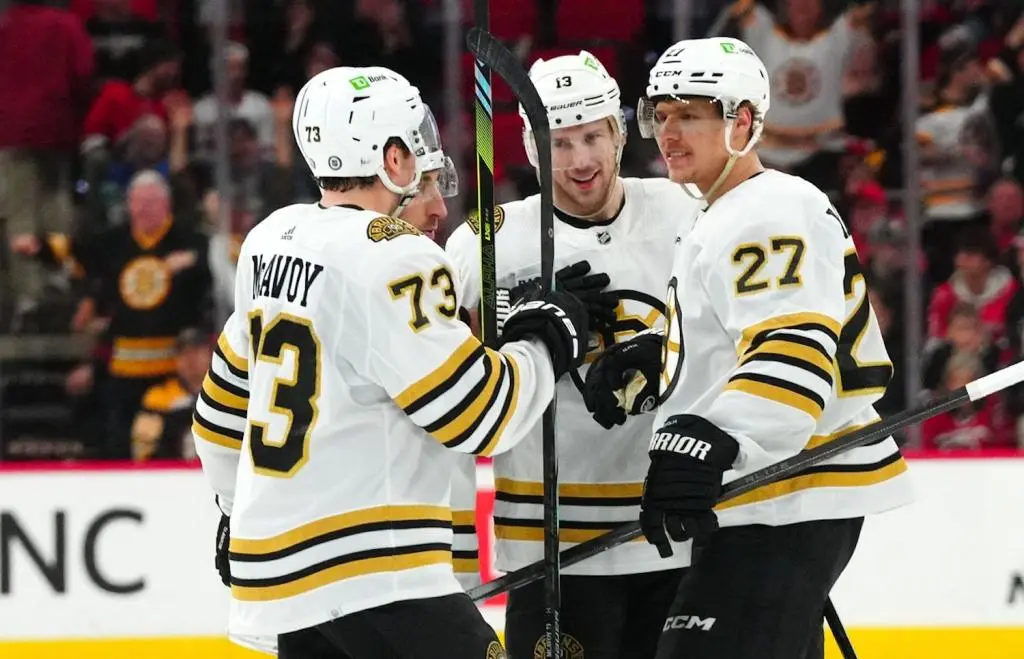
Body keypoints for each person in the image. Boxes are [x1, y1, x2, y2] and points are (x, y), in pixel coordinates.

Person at [192, 65, 601, 659]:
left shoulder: (270, 239)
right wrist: (542, 341)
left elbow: (220, 414)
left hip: (280, 580)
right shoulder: (398, 258)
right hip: (373, 569)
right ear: (393, 159)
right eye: (430, 177)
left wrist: (234, 511)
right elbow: (478, 416)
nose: (439, 207)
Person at [582, 37, 913, 659]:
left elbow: (792, 352)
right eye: (662, 113)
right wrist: (663, 356)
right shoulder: (727, 212)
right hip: (762, 496)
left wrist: (707, 440)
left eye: (690, 114)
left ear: (741, 121)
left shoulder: (768, 210)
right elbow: (747, 331)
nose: (668, 132)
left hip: (790, 489)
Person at [445, 50, 702, 659]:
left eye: (593, 136)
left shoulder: (688, 214)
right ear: (533, 151)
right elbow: (448, 402)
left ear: (619, 132)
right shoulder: (484, 246)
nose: (582, 160)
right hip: (548, 547)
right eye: (560, 143)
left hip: (677, 528)